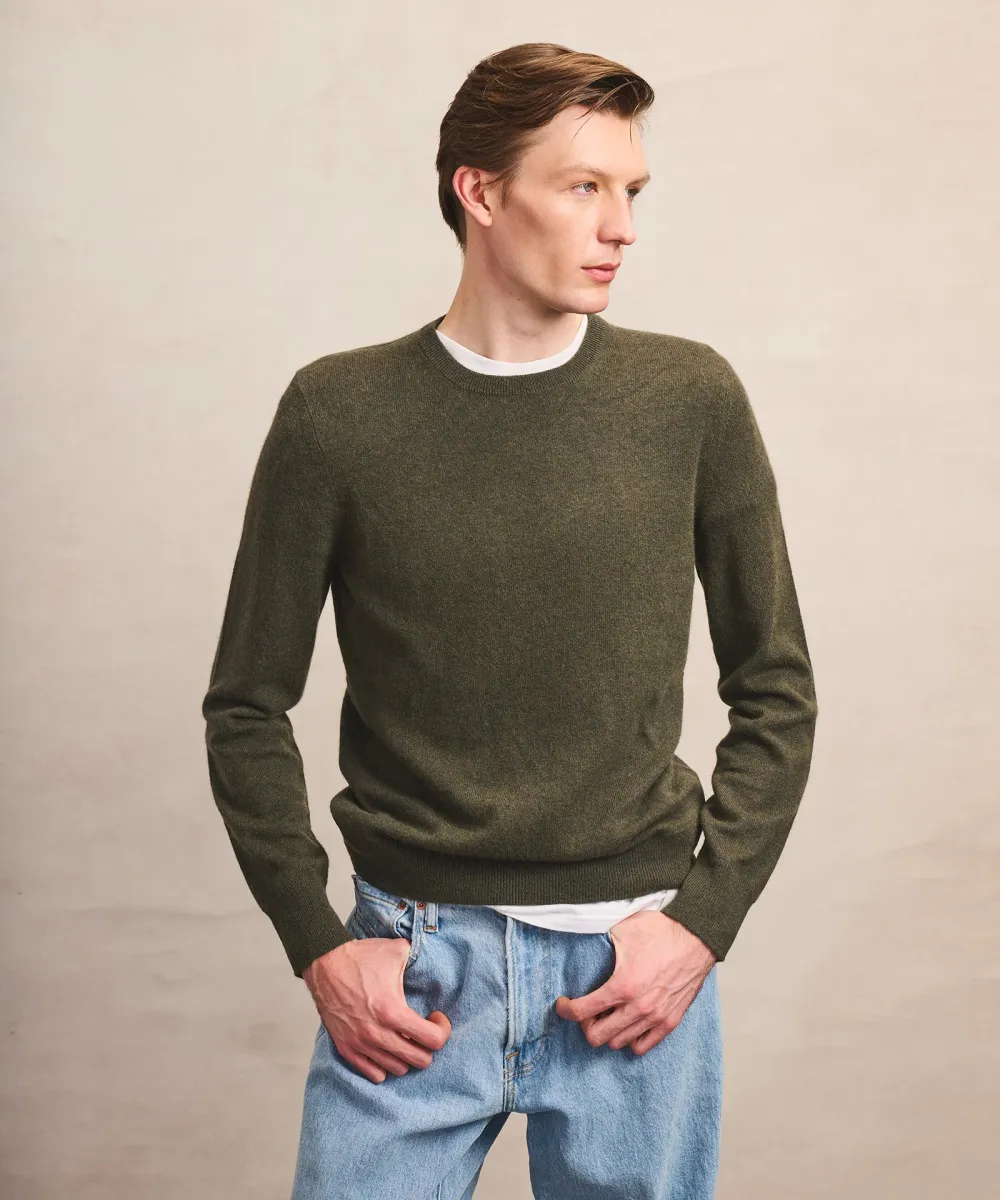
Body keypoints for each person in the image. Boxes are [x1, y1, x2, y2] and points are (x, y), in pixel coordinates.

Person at [202, 41, 818, 1200]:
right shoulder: (337, 413)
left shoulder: (689, 398)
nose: (620, 226)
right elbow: (245, 702)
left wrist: (703, 922)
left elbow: (775, 684)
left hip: (631, 976)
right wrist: (317, 946)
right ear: (479, 192)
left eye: (631, 191)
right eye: (583, 186)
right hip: (413, 970)